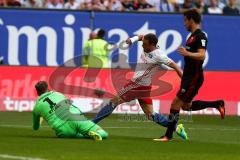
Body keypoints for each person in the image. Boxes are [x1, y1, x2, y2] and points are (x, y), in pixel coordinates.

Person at [92, 33, 188, 140]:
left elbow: (175, 66)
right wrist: (132, 40)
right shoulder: (147, 43)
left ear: (152, 44)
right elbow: (141, 36)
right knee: (150, 115)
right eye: (142, 43)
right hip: (145, 88)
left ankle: (91, 124)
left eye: (144, 44)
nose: (142, 46)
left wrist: (185, 82)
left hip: (136, 85)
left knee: (113, 102)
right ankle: (176, 128)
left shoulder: (159, 56)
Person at [156, 9, 225, 142]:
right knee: (185, 106)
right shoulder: (191, 37)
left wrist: (187, 54)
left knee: (176, 103)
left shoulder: (200, 36)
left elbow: (202, 54)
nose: (184, 24)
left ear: (191, 20)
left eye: (185, 20)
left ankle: (168, 136)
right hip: (188, 76)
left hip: (194, 77)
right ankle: (217, 103)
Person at [32, 81, 108, 141]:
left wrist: (40, 119)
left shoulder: (37, 107)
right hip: (75, 118)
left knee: (76, 135)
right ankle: (95, 133)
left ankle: (83, 135)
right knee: (103, 133)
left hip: (62, 130)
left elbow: (35, 127)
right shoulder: (57, 94)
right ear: (47, 88)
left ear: (37, 92)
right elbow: (69, 104)